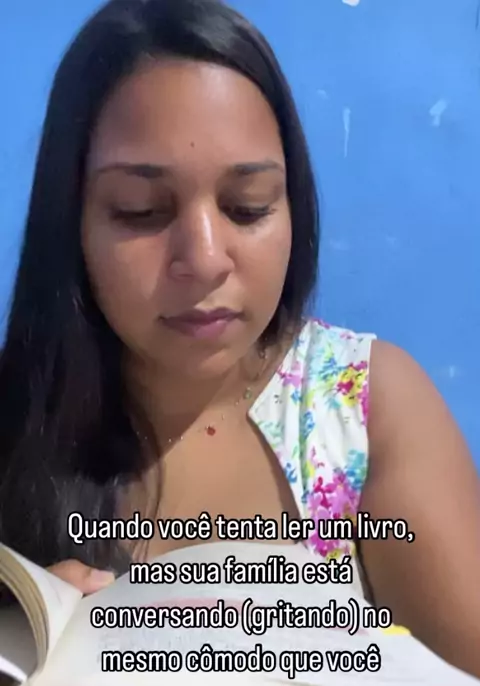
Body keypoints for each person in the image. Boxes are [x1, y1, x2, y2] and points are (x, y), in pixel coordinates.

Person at [0, 0, 479, 678]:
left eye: (247, 206)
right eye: (141, 210)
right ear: (70, 220)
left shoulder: (361, 411)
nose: (203, 259)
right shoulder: (15, 417)